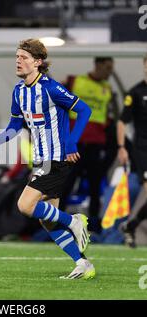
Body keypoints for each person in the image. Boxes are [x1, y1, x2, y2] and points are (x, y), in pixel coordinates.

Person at [0, 38, 95, 279]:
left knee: (25, 205)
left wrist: (72, 141)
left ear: (38, 61)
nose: (18, 61)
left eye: (23, 57)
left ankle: (74, 221)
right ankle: (82, 263)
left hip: (56, 160)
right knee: (47, 220)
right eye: (16, 57)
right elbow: (15, 126)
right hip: (41, 161)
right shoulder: (19, 92)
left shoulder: (51, 88)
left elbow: (85, 110)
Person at [60, 57, 115, 233]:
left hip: (96, 145)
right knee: (67, 184)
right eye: (107, 67)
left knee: (94, 186)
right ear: (97, 65)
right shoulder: (75, 82)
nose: (110, 72)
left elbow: (107, 116)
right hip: (75, 144)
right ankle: (59, 222)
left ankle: (93, 225)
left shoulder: (107, 89)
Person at [117, 55, 147, 248]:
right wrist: (121, 147)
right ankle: (131, 225)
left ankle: (131, 225)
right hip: (143, 148)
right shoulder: (135, 92)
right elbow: (122, 121)